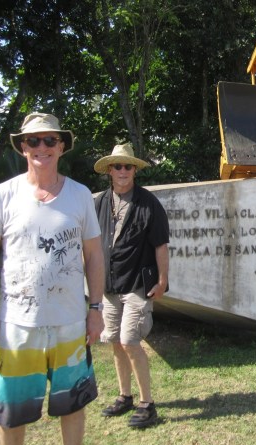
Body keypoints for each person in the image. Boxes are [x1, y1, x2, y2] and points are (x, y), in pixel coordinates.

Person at [0, 112, 105, 445]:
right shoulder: (4, 195)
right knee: (12, 411)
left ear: (61, 146)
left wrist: (96, 310)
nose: (41, 147)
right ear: (22, 147)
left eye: (49, 140)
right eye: (32, 141)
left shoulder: (80, 195)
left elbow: (94, 257)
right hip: (17, 326)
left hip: (70, 323)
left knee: (72, 404)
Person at [93, 143, 169, 428]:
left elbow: (161, 244)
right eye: (117, 166)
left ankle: (147, 404)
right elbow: (92, 245)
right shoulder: (100, 202)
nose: (122, 171)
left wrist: (162, 280)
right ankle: (125, 396)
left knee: (129, 341)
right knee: (113, 341)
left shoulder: (148, 203)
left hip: (138, 284)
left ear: (134, 170)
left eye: (127, 166)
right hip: (110, 285)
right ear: (109, 171)